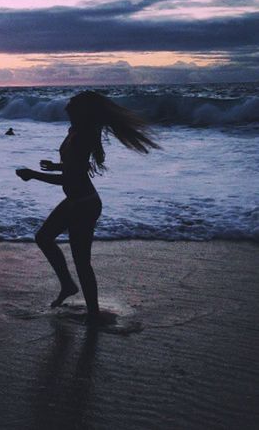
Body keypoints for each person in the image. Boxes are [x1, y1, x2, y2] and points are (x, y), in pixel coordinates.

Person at [16, 91, 159, 322]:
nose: (67, 108)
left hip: (84, 204)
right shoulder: (74, 131)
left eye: (72, 105)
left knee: (82, 262)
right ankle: (68, 285)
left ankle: (93, 314)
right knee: (43, 237)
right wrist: (54, 166)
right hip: (75, 201)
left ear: (82, 111)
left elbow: (70, 178)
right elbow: (75, 167)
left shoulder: (83, 136)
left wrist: (33, 175)